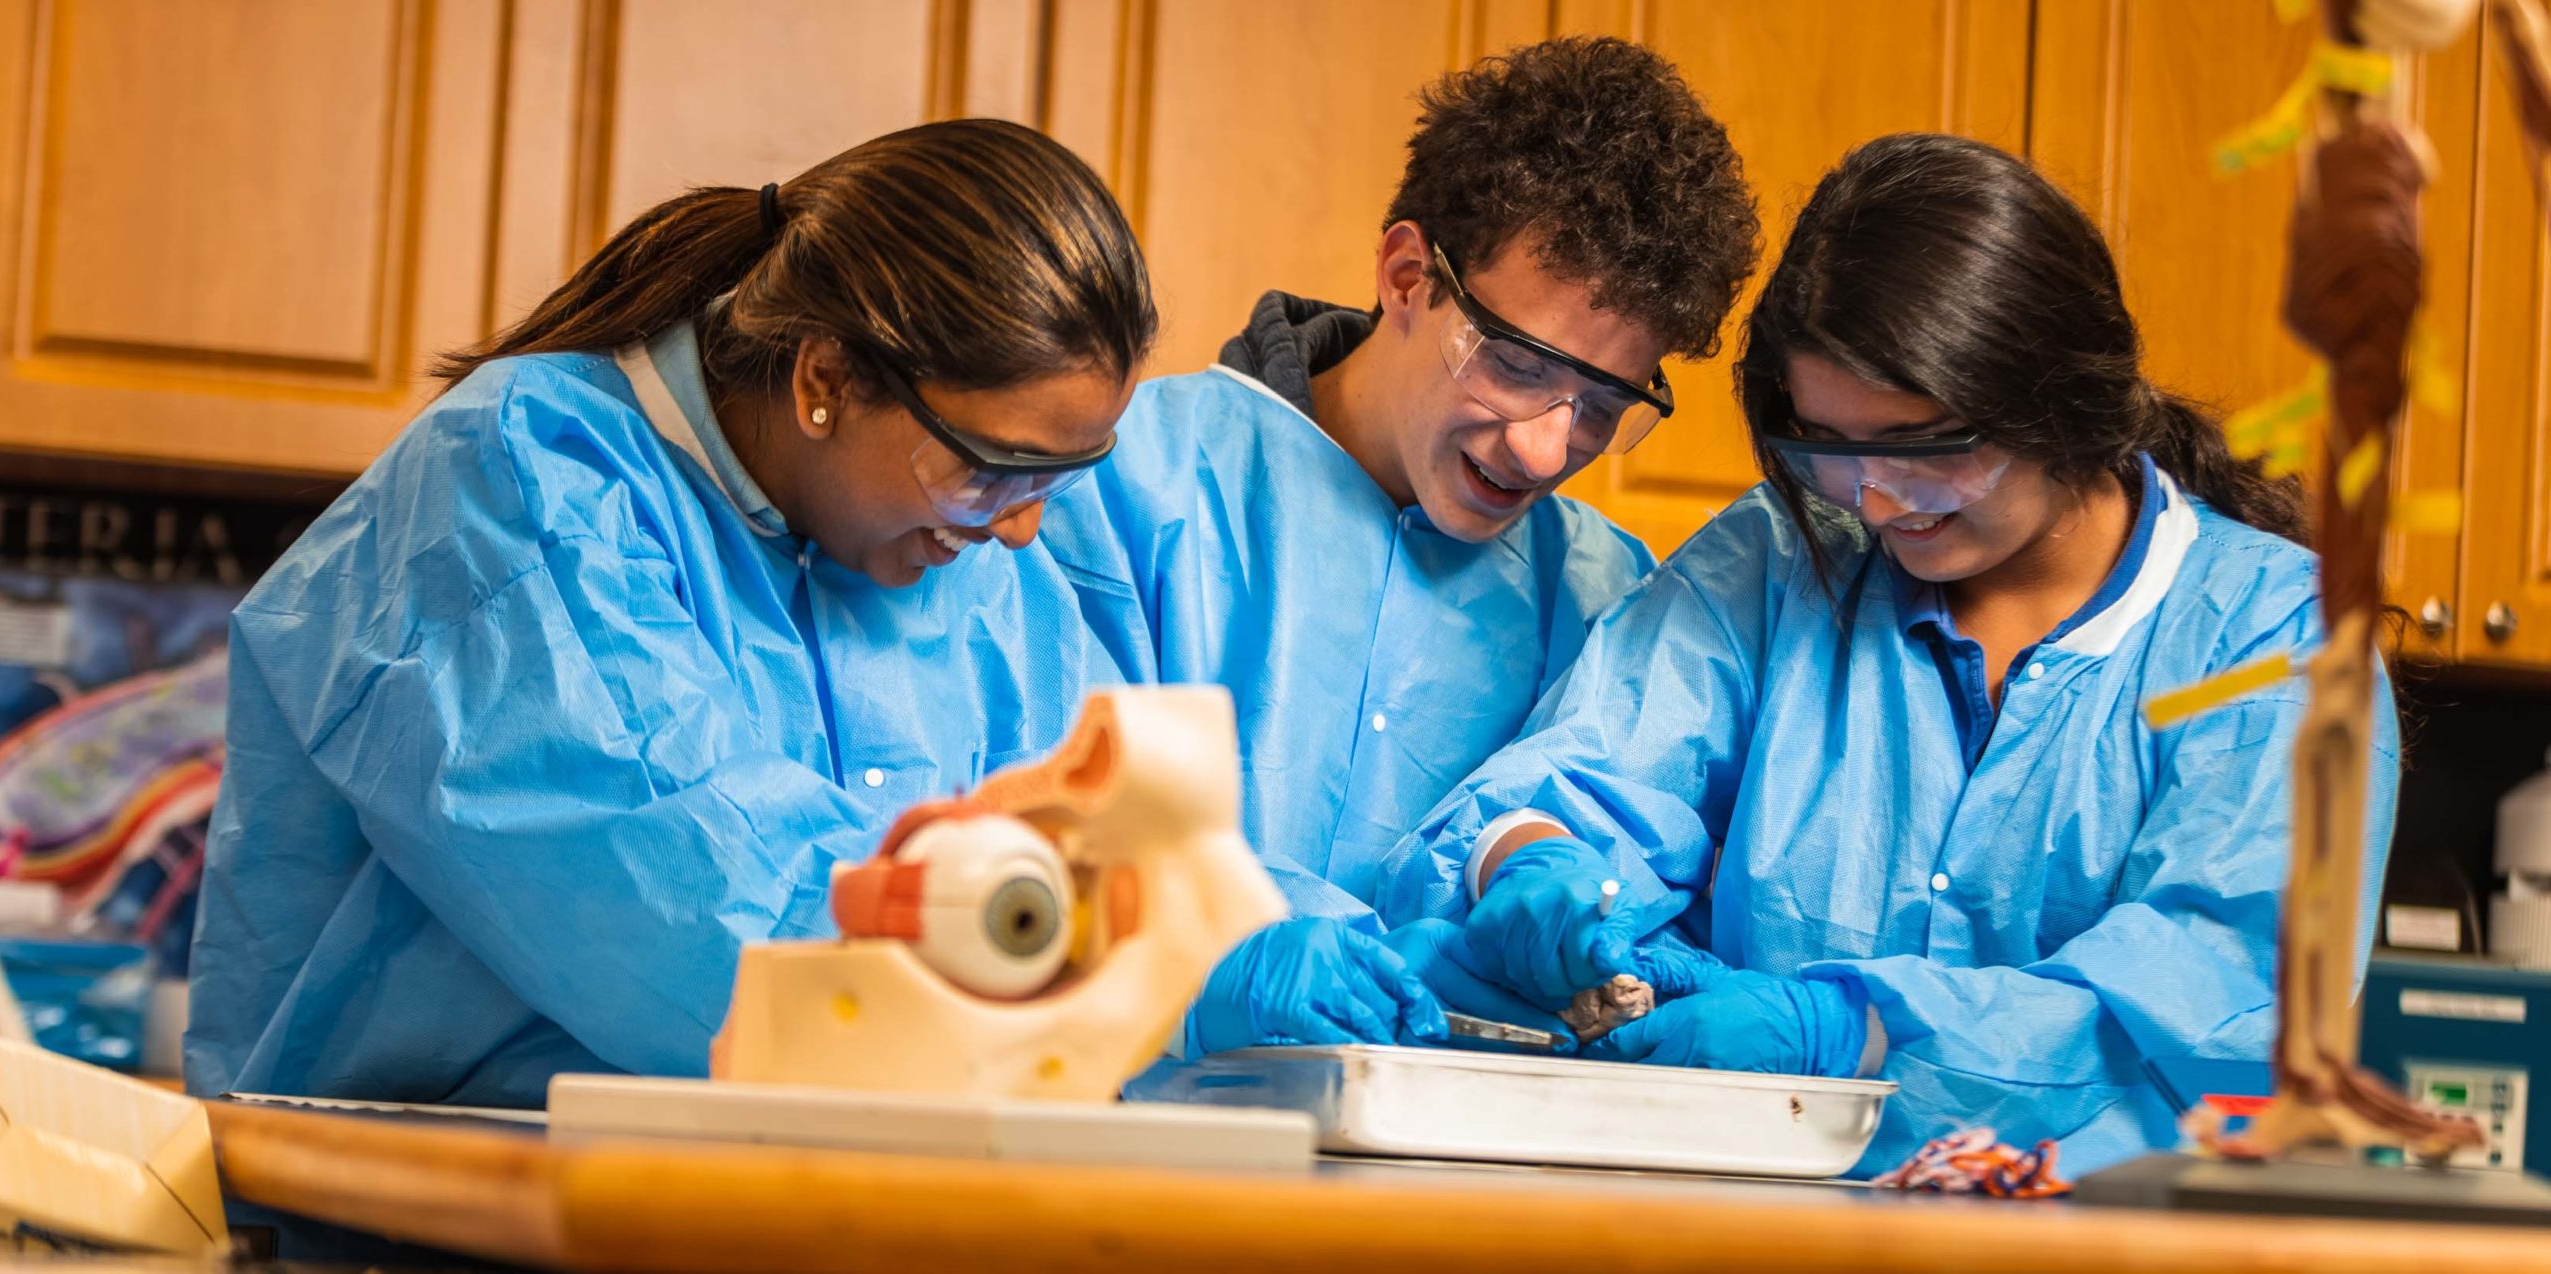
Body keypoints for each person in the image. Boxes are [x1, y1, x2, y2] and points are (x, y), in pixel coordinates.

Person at [1380, 133, 2399, 1176]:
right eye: (1825, 447)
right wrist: (1530, 854)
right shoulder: (1783, 560)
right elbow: (1584, 772)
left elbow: (2210, 997)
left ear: (2061, 402)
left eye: (1919, 449)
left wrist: (1851, 1031)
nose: (1869, 499)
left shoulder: (2276, 640)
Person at [184, 121, 1158, 1106]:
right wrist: (1065, 941)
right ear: (825, 380)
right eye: (994, 465)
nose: (1025, 526)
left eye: (1061, 472)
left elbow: (1128, 840)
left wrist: (1251, 939)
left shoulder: (960, 560)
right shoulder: (526, 482)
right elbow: (692, 896)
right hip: (424, 1223)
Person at [1038, 36, 1760, 1053]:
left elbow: (1616, 892)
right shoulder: (1126, 482)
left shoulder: (1607, 595)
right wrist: (1229, 956)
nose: (1547, 446)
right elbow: (1024, 832)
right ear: (1406, 273)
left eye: (1603, 406)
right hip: (1134, 1156)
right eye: (1514, 364)